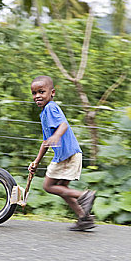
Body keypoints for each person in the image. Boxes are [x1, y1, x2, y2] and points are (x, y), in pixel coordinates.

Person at [28, 75, 96, 231]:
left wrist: (57, 135)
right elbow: (46, 142)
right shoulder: (44, 113)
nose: (37, 96)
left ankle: (84, 196)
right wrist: (36, 162)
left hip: (66, 156)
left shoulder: (51, 108)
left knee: (48, 186)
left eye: (41, 92)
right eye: (34, 93)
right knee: (63, 189)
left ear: (52, 93)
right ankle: (84, 218)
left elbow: (63, 125)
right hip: (68, 155)